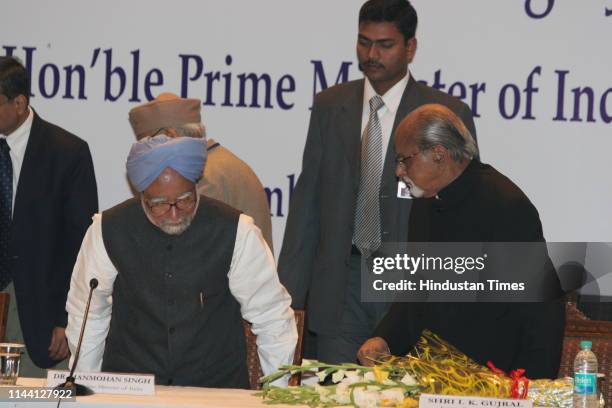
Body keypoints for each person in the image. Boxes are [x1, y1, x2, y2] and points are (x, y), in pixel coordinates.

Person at [277, 0, 477, 363]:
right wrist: (288, 294)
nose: (371, 54)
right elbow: (308, 203)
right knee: (337, 396)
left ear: (410, 47)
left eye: (385, 45)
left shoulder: (444, 113)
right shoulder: (329, 105)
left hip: (409, 289)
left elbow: (462, 210)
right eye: (363, 42)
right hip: (341, 283)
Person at [65, 135, 296, 388]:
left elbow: (272, 317)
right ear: (141, 194)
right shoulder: (107, 229)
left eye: (185, 200)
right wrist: (85, 387)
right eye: (160, 204)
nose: (174, 213)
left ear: (196, 186)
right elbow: (87, 313)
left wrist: (277, 392)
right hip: (130, 390)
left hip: (214, 393)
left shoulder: (236, 231)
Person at [357, 104, 564, 379]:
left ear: (439, 154)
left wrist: (529, 388)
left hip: (493, 380)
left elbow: (541, 310)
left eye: (404, 160)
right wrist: (384, 338)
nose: (398, 171)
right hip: (432, 376)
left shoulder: (504, 205)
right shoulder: (425, 202)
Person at [0, 56, 98, 376]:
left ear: (19, 102)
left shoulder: (67, 153)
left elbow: (79, 245)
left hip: (37, 313)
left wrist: (65, 318)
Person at [128, 93, 274, 251]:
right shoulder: (221, 164)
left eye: (148, 144)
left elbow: (181, 251)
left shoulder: (202, 176)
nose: (144, 155)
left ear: (171, 135)